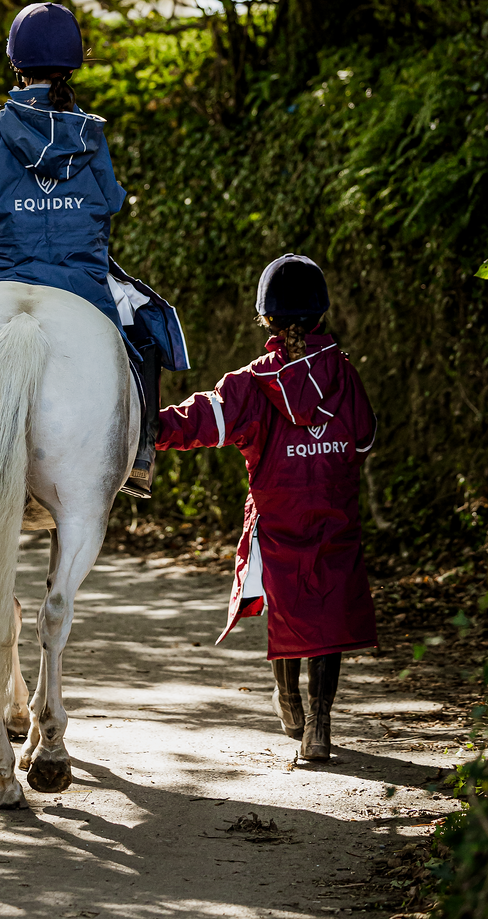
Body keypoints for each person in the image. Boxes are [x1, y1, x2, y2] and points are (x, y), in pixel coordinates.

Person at [0, 1, 189, 492]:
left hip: (1, 274)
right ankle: (141, 454)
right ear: (72, 64)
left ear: (15, 64)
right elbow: (107, 205)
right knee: (147, 327)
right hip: (83, 280)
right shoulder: (92, 133)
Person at [155, 254, 377, 760]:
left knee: (288, 606)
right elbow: (363, 439)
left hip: (278, 517)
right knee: (327, 614)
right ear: (321, 314)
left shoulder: (251, 384)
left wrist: (142, 427)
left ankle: (289, 700)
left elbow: (199, 423)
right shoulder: (344, 375)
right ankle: (319, 728)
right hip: (335, 516)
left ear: (267, 319)